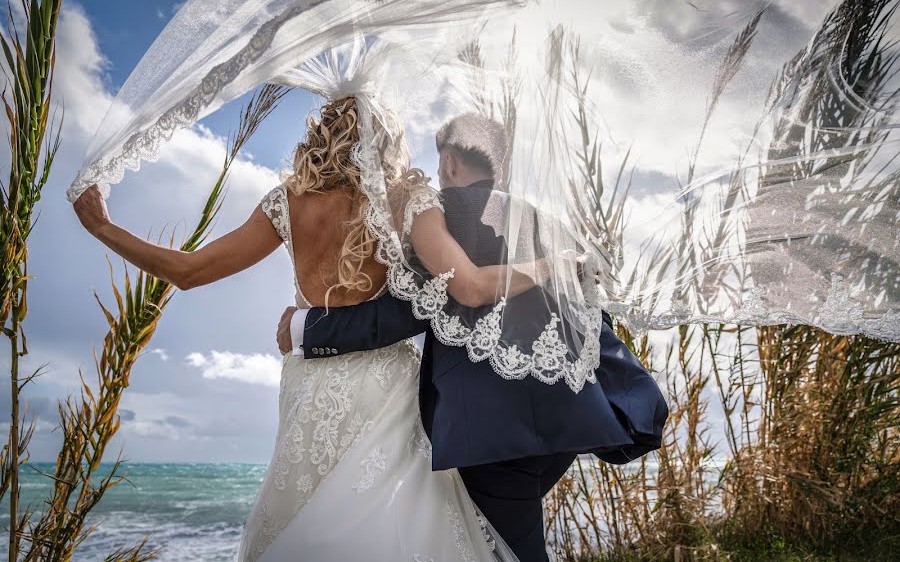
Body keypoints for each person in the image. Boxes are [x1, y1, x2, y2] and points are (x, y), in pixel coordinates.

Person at [73, 97, 526, 561]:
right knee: (394, 519)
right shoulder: (407, 201)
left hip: (309, 386)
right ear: (386, 142)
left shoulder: (285, 203)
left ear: (322, 134)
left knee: (306, 513)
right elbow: (465, 283)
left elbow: (187, 271)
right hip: (385, 387)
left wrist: (104, 227)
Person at [277, 113, 670, 562]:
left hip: (494, 430)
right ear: (497, 165)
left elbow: (403, 312)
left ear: (448, 161)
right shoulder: (540, 220)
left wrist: (305, 328)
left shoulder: (443, 223)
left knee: (507, 551)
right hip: (571, 416)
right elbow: (586, 316)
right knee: (500, 537)